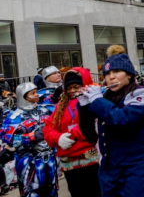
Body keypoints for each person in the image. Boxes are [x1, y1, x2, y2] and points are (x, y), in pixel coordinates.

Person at [78, 45, 144, 196]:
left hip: (136, 164)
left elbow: (122, 120)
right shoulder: (104, 99)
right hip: (108, 167)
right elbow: (90, 136)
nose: (111, 77)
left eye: (117, 71)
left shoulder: (140, 93)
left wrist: (96, 100)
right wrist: (84, 105)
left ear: (129, 75)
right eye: (107, 73)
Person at [43, 68, 101, 196]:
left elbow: (92, 124)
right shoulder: (61, 106)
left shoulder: (93, 101)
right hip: (69, 163)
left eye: (76, 86)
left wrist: (70, 134)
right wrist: (58, 138)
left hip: (92, 161)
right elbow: (47, 128)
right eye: (68, 88)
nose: (72, 91)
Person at [1, 83, 57, 197]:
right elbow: (7, 138)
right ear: (23, 95)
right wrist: (32, 136)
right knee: (31, 191)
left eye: (36, 92)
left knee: (52, 189)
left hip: (50, 155)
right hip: (28, 159)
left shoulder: (46, 109)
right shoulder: (14, 116)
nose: (36, 95)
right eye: (32, 93)